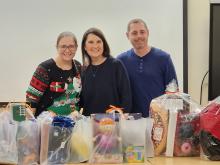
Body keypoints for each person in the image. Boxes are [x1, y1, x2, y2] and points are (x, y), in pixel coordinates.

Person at [117, 18, 178, 117]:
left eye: (142, 32)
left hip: (159, 120)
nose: (139, 36)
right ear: (127, 35)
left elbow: (173, 93)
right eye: (134, 33)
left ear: (148, 33)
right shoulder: (121, 61)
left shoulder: (164, 58)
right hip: (130, 120)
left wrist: (170, 121)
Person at [26, 31, 82, 117]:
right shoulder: (45, 68)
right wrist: (31, 124)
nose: (67, 50)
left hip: (72, 123)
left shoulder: (78, 66)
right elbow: (31, 99)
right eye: (63, 46)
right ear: (57, 47)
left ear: (76, 47)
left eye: (71, 46)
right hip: (48, 124)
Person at [80, 27, 132, 116]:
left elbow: (126, 96)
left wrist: (123, 118)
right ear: (84, 47)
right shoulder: (84, 70)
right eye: (91, 42)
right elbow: (81, 101)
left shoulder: (116, 65)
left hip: (113, 123)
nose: (95, 46)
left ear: (104, 44)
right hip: (90, 123)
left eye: (99, 41)